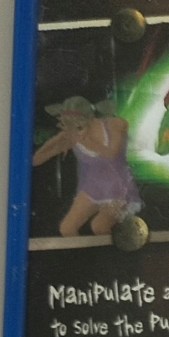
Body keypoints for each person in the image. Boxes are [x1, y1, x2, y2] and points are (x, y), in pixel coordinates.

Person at [32, 96, 141, 238]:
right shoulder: (71, 135)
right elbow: (35, 160)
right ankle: (82, 252)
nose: (76, 132)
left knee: (99, 227)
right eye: (69, 127)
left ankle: (115, 248)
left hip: (117, 188)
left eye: (79, 127)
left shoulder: (114, 125)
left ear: (90, 119)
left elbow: (111, 154)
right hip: (91, 188)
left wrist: (84, 141)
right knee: (67, 228)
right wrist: (55, 141)